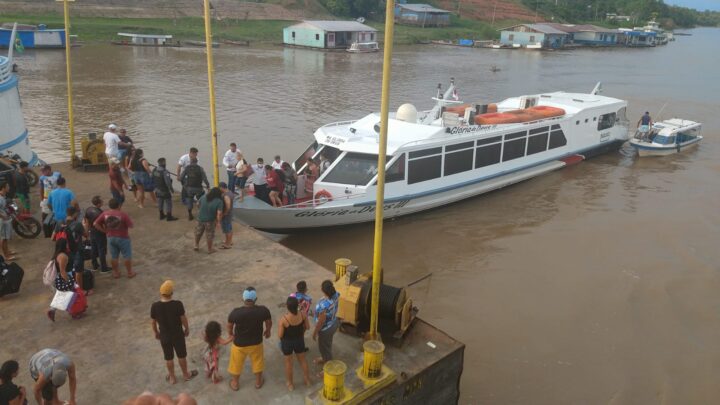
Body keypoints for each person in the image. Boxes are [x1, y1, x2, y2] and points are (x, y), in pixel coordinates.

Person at [151, 280, 198, 385]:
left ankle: (172, 377)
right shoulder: (177, 304)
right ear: (171, 293)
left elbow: (153, 322)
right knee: (181, 356)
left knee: (168, 357)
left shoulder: (155, 306)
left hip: (164, 336)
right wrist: (187, 328)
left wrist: (156, 332)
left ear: (160, 292)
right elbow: (183, 319)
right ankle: (186, 375)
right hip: (177, 335)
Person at [226, 287, 272, 391]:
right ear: (256, 299)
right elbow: (268, 321)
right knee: (258, 362)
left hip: (239, 344)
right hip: (256, 343)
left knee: (236, 363)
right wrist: (268, 330)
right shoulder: (263, 310)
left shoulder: (235, 312)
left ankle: (235, 383)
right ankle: (258, 382)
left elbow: (229, 325)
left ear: (243, 299)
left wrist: (230, 334)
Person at [93, 198, 136, 279]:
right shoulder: (123, 214)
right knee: (127, 256)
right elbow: (131, 226)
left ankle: (116, 273)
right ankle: (129, 272)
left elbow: (95, 223)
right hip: (123, 237)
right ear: (119, 206)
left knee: (114, 256)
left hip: (110, 237)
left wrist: (104, 231)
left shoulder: (105, 214)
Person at [278, 296, 311, 391]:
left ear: (287, 307)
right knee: (303, 360)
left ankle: (290, 384)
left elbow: (280, 335)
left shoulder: (284, 319)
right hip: (299, 340)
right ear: (297, 305)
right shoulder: (303, 314)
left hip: (287, 343)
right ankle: (307, 380)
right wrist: (301, 332)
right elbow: (307, 327)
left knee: (288, 363)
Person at [56, 206, 90, 294]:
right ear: (75, 214)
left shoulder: (59, 223)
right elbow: (86, 235)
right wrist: (86, 226)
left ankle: (68, 288)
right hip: (76, 250)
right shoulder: (77, 224)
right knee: (79, 271)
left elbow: (53, 237)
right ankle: (80, 291)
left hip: (63, 251)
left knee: (66, 270)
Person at [46, 239, 78, 322]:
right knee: (71, 295)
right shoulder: (63, 256)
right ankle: (74, 313)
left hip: (59, 278)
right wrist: (69, 282)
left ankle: (52, 310)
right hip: (65, 277)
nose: (68, 245)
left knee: (62, 295)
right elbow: (63, 271)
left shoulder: (57, 254)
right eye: (66, 244)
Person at [313, 280, 340, 365]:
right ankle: (325, 358)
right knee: (327, 344)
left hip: (325, 329)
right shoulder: (336, 295)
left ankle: (328, 367)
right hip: (334, 323)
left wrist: (315, 333)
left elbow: (321, 321)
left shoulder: (323, 306)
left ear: (324, 290)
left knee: (323, 347)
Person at [84, 196, 110, 273]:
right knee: (101, 250)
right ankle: (104, 268)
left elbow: (86, 222)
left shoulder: (88, 209)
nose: (102, 202)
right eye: (101, 201)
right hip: (99, 233)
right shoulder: (100, 213)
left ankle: (95, 265)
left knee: (94, 249)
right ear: (98, 204)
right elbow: (102, 224)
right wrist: (105, 231)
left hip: (92, 232)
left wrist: (87, 231)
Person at [194, 187, 223, 254]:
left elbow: (197, 204)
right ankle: (210, 249)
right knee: (209, 235)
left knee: (198, 232)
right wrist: (218, 222)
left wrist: (200, 210)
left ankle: (196, 245)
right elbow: (219, 213)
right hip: (210, 221)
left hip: (200, 218)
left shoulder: (203, 197)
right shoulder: (219, 201)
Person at [39, 165, 61, 235]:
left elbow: (61, 184)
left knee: (56, 211)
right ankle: (44, 225)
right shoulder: (42, 178)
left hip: (56, 197)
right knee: (44, 212)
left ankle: (57, 225)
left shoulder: (57, 174)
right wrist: (42, 199)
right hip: (46, 197)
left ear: (49, 169)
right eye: (41, 171)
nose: (42, 172)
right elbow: (41, 188)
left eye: (43, 171)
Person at [0, 183, 15, 261]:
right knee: (3, 238)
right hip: (2, 221)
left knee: (5, 237)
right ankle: (6, 256)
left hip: (5, 220)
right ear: (3, 188)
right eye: (7, 186)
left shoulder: (3, 196)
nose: (9, 187)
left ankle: (7, 251)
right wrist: (3, 217)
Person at [218, 182, 234, 249]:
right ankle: (229, 241)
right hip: (230, 214)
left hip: (226, 215)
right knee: (229, 228)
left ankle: (227, 244)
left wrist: (225, 213)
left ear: (221, 187)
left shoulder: (226, 195)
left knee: (227, 229)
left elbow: (228, 206)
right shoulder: (230, 192)